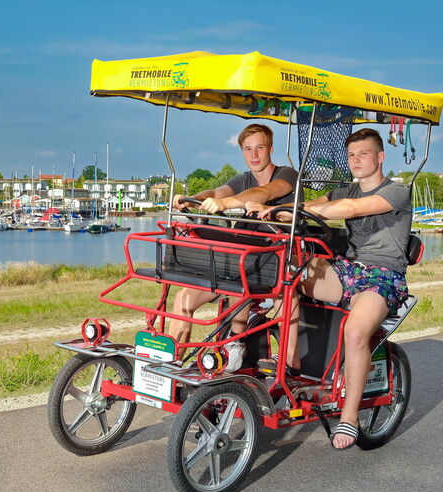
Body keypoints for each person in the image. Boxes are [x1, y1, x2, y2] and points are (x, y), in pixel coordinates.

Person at [259, 127, 411, 449]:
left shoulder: (397, 191)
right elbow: (317, 202)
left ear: (380, 157)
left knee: (355, 332)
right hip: (348, 269)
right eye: (352, 155)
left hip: (384, 275)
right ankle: (291, 363)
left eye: (364, 154)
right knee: (288, 277)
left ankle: (350, 417)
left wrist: (309, 210)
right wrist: (278, 211)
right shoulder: (345, 189)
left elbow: (350, 210)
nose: (356, 160)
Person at [169, 124, 298, 372]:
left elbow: (264, 192)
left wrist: (224, 203)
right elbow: (218, 191)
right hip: (241, 257)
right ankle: (172, 365)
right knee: (183, 298)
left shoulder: (286, 175)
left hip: (276, 260)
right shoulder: (242, 179)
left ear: (270, 148)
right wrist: (193, 198)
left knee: (241, 285)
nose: (254, 155)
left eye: (260, 147)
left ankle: (236, 346)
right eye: (248, 149)